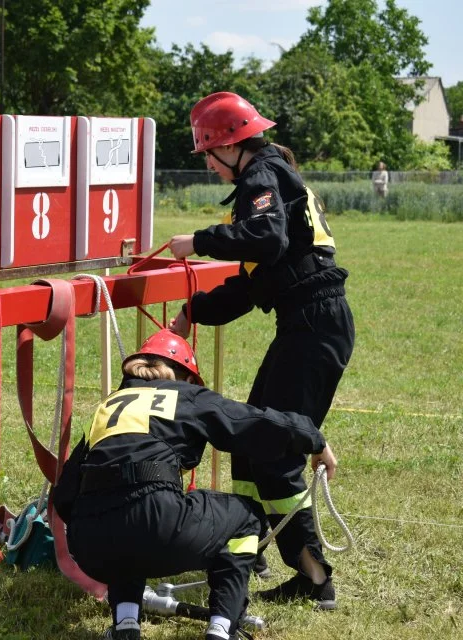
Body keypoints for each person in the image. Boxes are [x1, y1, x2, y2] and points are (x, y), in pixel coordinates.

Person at [166, 92, 354, 609]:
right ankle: (247, 551)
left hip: (315, 328)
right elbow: (251, 287)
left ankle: (315, 576)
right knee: (248, 441)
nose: (206, 163)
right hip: (306, 325)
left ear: (231, 144)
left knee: (272, 449)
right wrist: (194, 310)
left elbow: (265, 240)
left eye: (208, 151)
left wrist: (200, 240)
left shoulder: (260, 176)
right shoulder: (266, 177)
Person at [51, 330, 337, 640]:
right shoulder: (184, 395)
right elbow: (252, 424)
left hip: (89, 543)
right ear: (185, 376)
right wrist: (313, 438)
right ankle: (222, 629)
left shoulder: (106, 408)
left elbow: (65, 495)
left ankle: (125, 625)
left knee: (126, 530)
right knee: (248, 518)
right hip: (155, 520)